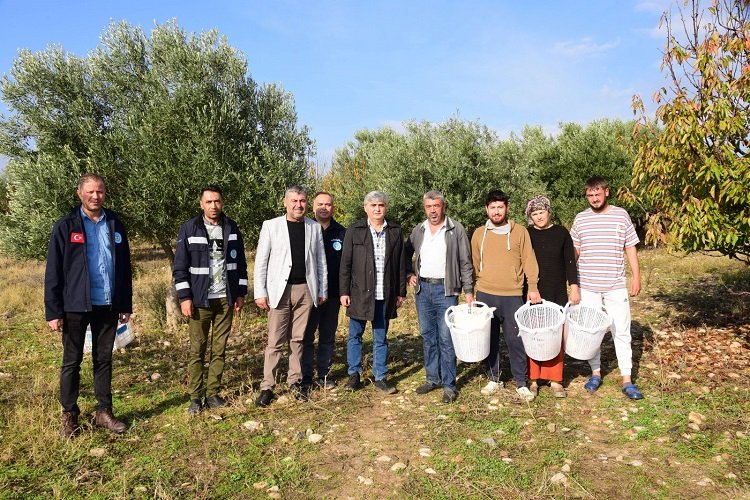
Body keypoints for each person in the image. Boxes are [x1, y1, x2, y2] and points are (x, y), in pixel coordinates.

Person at [45, 173, 133, 437]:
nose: (96, 197)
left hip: (107, 303)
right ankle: (70, 415)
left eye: (100, 192)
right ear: (79, 193)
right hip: (74, 305)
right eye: (91, 192)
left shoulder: (115, 223)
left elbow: (124, 267)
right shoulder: (66, 226)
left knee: (103, 359)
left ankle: (104, 412)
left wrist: (125, 303)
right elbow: (53, 271)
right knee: (71, 361)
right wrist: (53, 310)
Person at [173, 185, 248, 415]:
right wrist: (185, 298)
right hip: (199, 301)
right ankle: (195, 397)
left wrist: (241, 293)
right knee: (198, 349)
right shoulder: (190, 228)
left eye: (217, 201)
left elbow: (241, 264)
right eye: (208, 202)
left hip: (225, 298)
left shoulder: (231, 227)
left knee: (219, 349)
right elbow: (180, 269)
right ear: (201, 204)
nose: (213, 206)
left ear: (222, 202)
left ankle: (213, 393)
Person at [570, 176, 644, 400]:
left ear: (606, 192)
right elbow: (575, 252)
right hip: (588, 285)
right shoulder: (580, 219)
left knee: (621, 331)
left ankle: (627, 379)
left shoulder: (621, 215)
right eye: (590, 195)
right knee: (592, 332)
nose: (594, 198)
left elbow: (630, 248)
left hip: (615, 285)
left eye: (597, 193)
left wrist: (636, 277)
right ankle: (595, 373)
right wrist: (572, 282)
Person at [254, 186, 327, 407]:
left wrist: (322, 289)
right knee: (275, 341)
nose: (299, 205)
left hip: (305, 289)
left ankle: (295, 381)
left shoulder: (314, 227)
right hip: (279, 290)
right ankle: (268, 386)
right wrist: (260, 292)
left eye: (302, 201)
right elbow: (261, 262)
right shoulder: (271, 226)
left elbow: (320, 261)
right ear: (285, 202)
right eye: (294, 201)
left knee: (298, 339)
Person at [470, 189, 540, 402]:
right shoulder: (478, 234)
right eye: (493, 207)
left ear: (507, 208)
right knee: (488, 338)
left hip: (512, 294)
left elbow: (529, 260)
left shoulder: (520, 232)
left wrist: (533, 286)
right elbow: (473, 264)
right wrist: (470, 292)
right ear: (487, 209)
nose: (497, 211)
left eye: (500, 207)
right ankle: (493, 378)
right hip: (485, 293)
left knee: (515, 339)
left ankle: (521, 382)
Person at [405, 191, 474, 404]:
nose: (433, 210)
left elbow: (465, 261)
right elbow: (405, 253)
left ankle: (449, 385)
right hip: (423, 290)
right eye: (429, 206)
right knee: (428, 336)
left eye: (436, 206)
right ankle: (432, 378)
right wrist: (409, 274)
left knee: (446, 339)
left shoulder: (456, 229)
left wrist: (469, 291)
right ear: (424, 208)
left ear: (443, 206)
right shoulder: (419, 230)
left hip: (447, 290)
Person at [340, 191, 406, 394]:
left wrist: (401, 291)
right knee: (355, 336)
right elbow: (346, 263)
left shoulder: (395, 231)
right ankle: (354, 374)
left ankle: (380, 376)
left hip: (384, 294)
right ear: (365, 208)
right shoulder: (355, 230)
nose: (377, 209)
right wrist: (344, 291)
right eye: (373, 205)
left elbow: (401, 264)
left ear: (386, 207)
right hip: (359, 293)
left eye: (381, 205)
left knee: (380, 337)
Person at [524, 195, 580, 398]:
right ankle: (533, 379)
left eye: (542, 212)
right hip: (533, 292)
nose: (539, 216)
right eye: (535, 213)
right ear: (530, 216)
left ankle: (555, 379)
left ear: (549, 212)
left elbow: (570, 263)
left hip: (556, 290)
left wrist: (574, 287)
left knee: (555, 335)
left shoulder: (561, 233)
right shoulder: (526, 234)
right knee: (534, 335)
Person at [301, 192, 346, 390]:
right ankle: (306, 375)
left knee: (327, 336)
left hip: (333, 295)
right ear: (313, 207)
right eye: (320, 204)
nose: (324, 208)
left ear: (333, 208)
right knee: (307, 336)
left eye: (328, 204)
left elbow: (346, 266)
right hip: (309, 293)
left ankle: (324, 375)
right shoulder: (305, 229)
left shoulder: (342, 233)